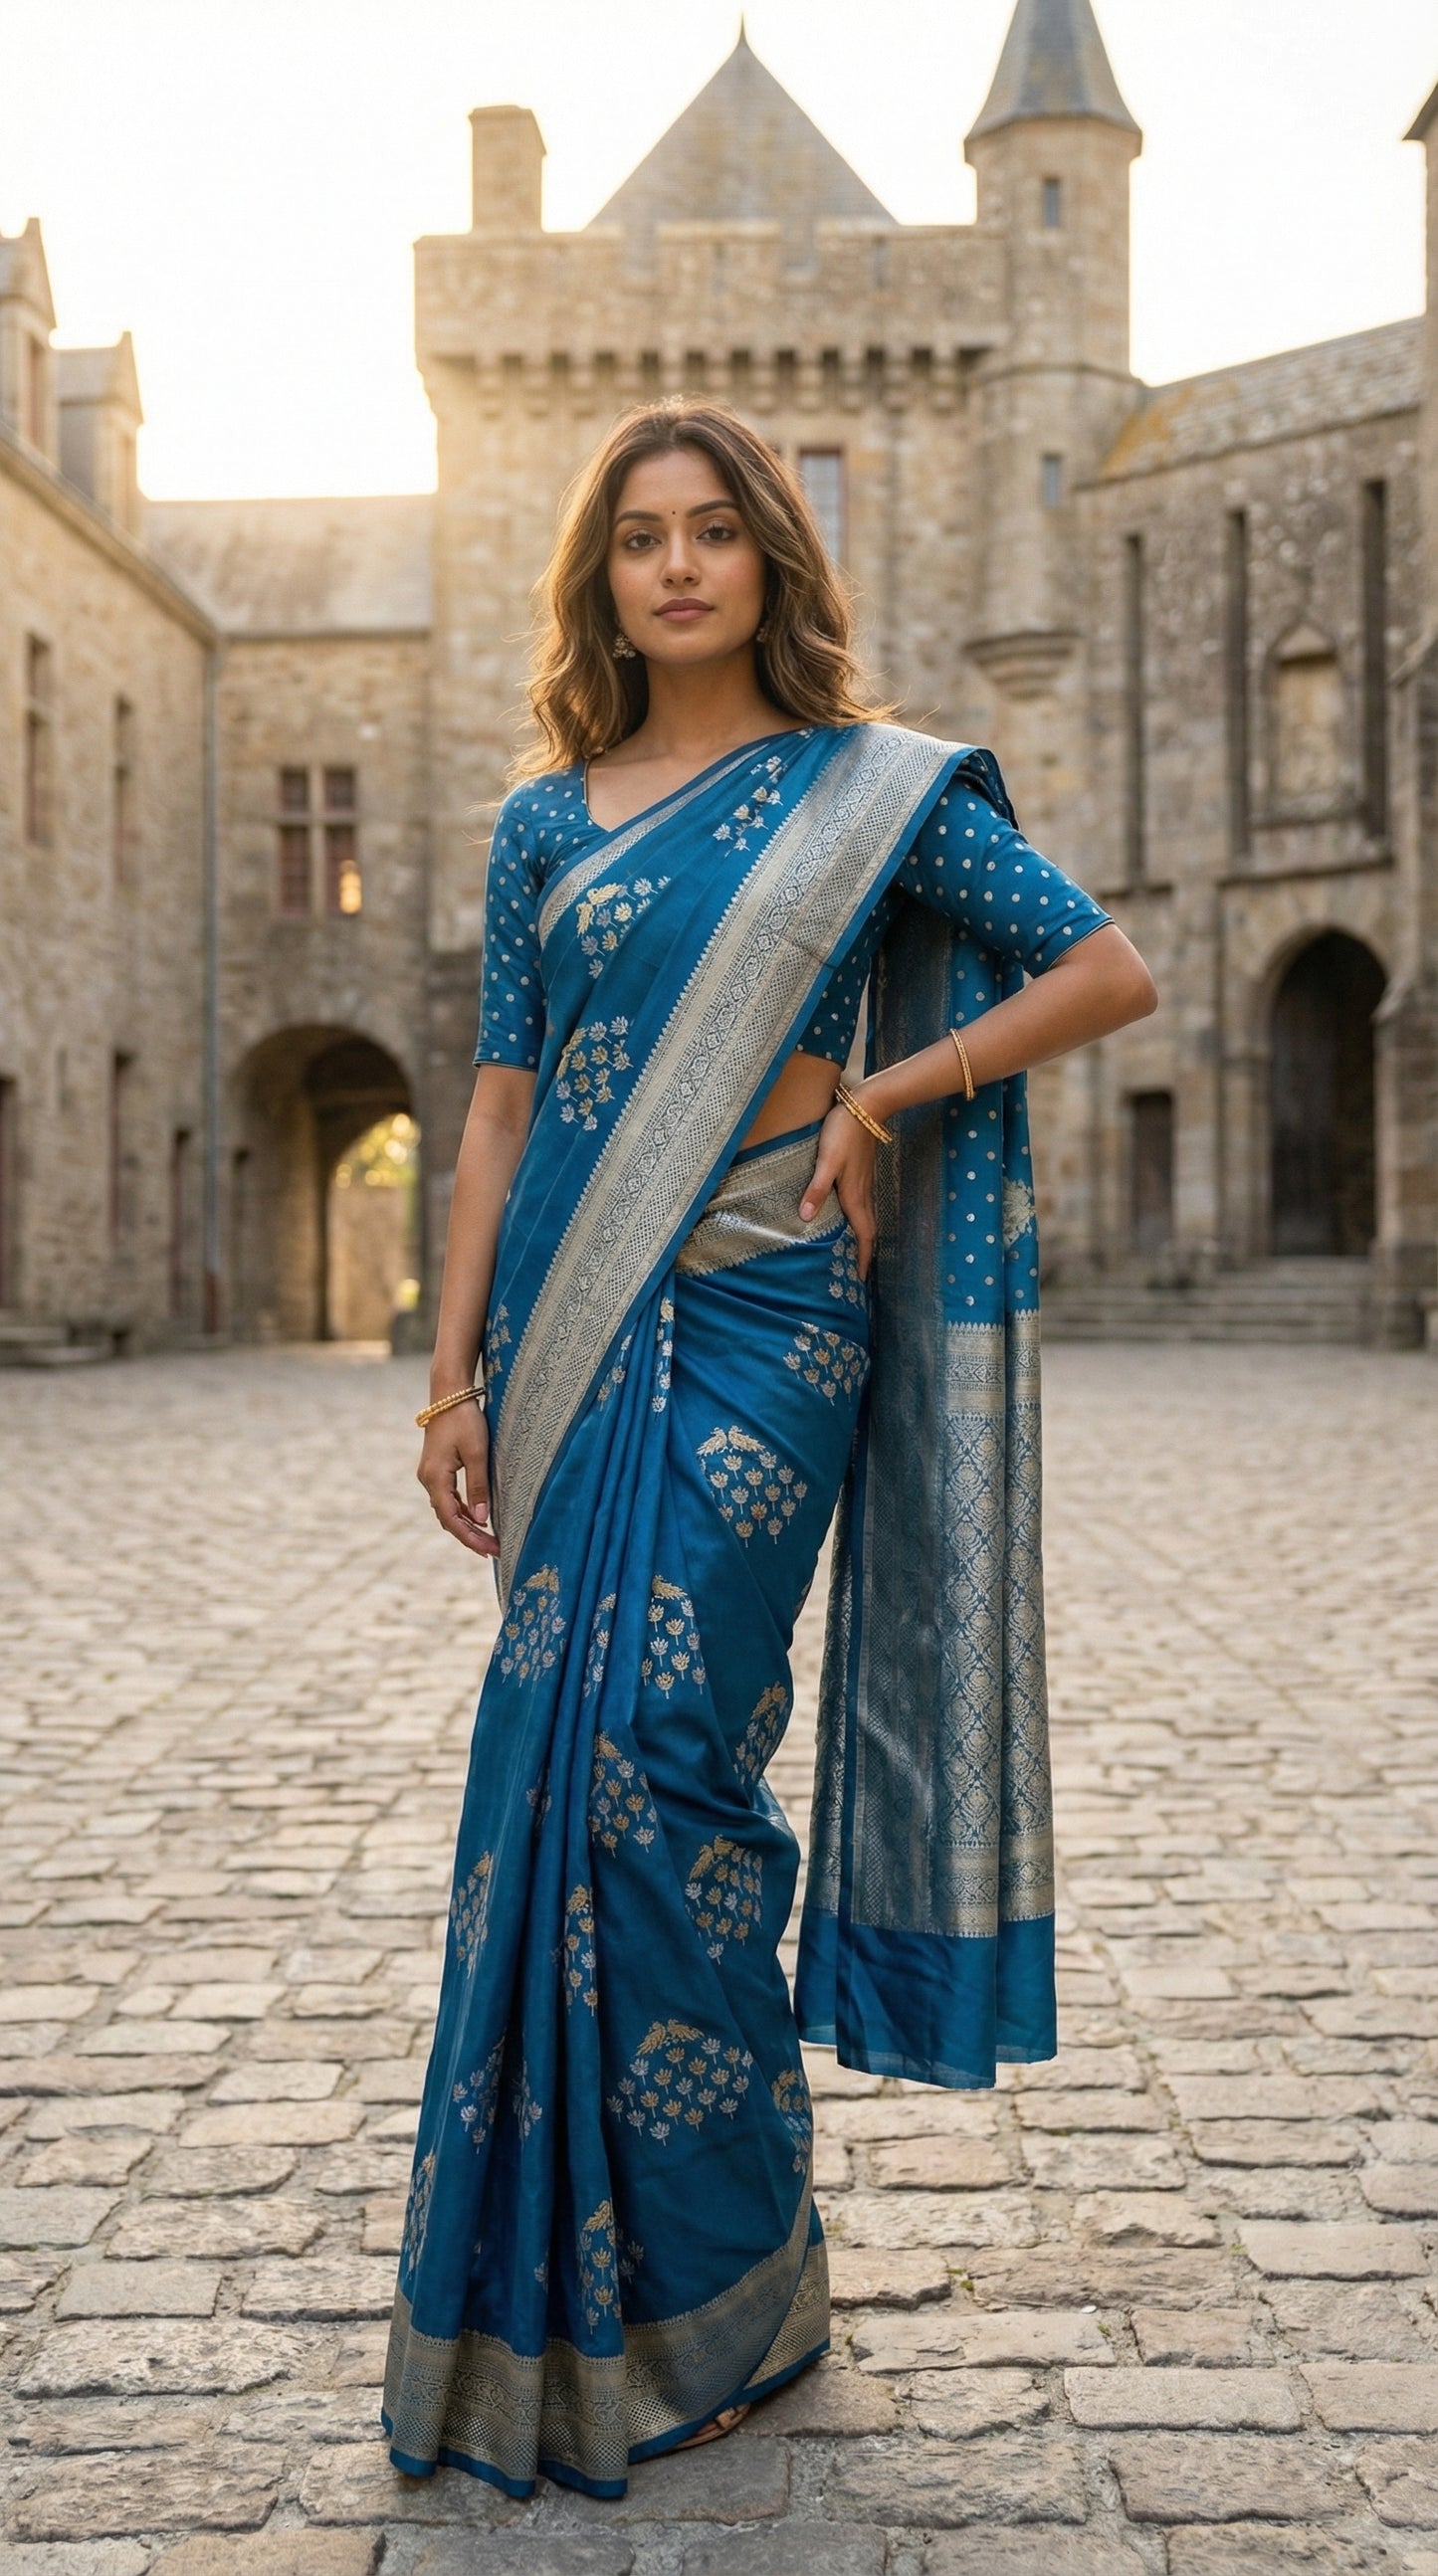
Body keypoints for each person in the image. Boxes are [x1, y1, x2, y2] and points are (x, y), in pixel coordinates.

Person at [383, 399, 1156, 2499]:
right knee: (549, 1769)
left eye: (719, 529)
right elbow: (504, 1103)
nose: (682, 565)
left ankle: (731, 2270)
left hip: (760, 1312)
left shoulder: (869, 792)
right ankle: (597, 2289)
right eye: (641, 536)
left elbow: (1105, 964)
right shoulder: (547, 819)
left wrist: (888, 1096)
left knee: (663, 1747)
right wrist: (451, 1372)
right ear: (601, 575)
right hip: (562, 1333)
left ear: (773, 560)